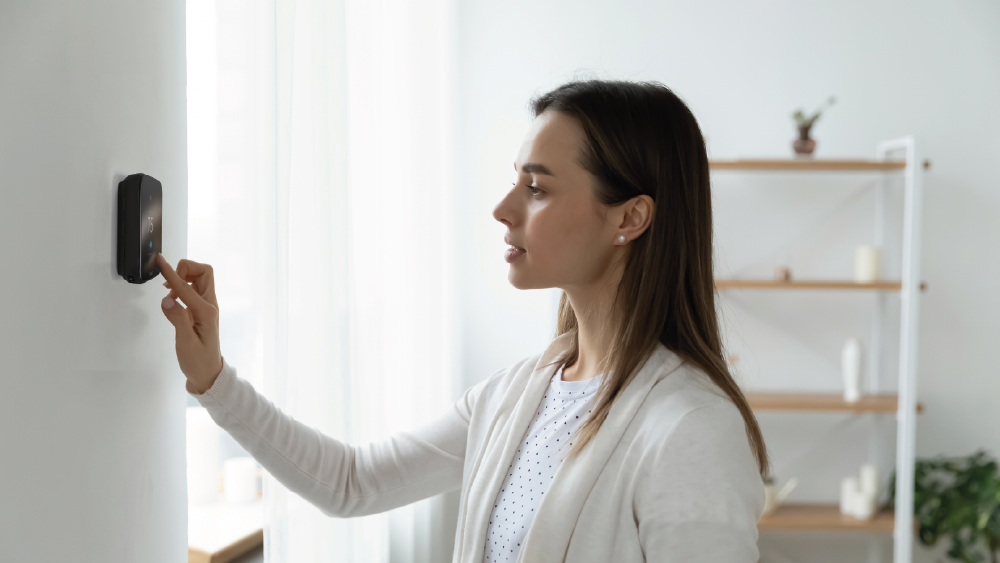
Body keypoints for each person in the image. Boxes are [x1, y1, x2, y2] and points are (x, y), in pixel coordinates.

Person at [158, 79, 767, 563]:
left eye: (537, 188)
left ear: (629, 218)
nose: (503, 209)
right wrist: (213, 378)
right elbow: (352, 482)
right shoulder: (515, 396)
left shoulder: (691, 429)